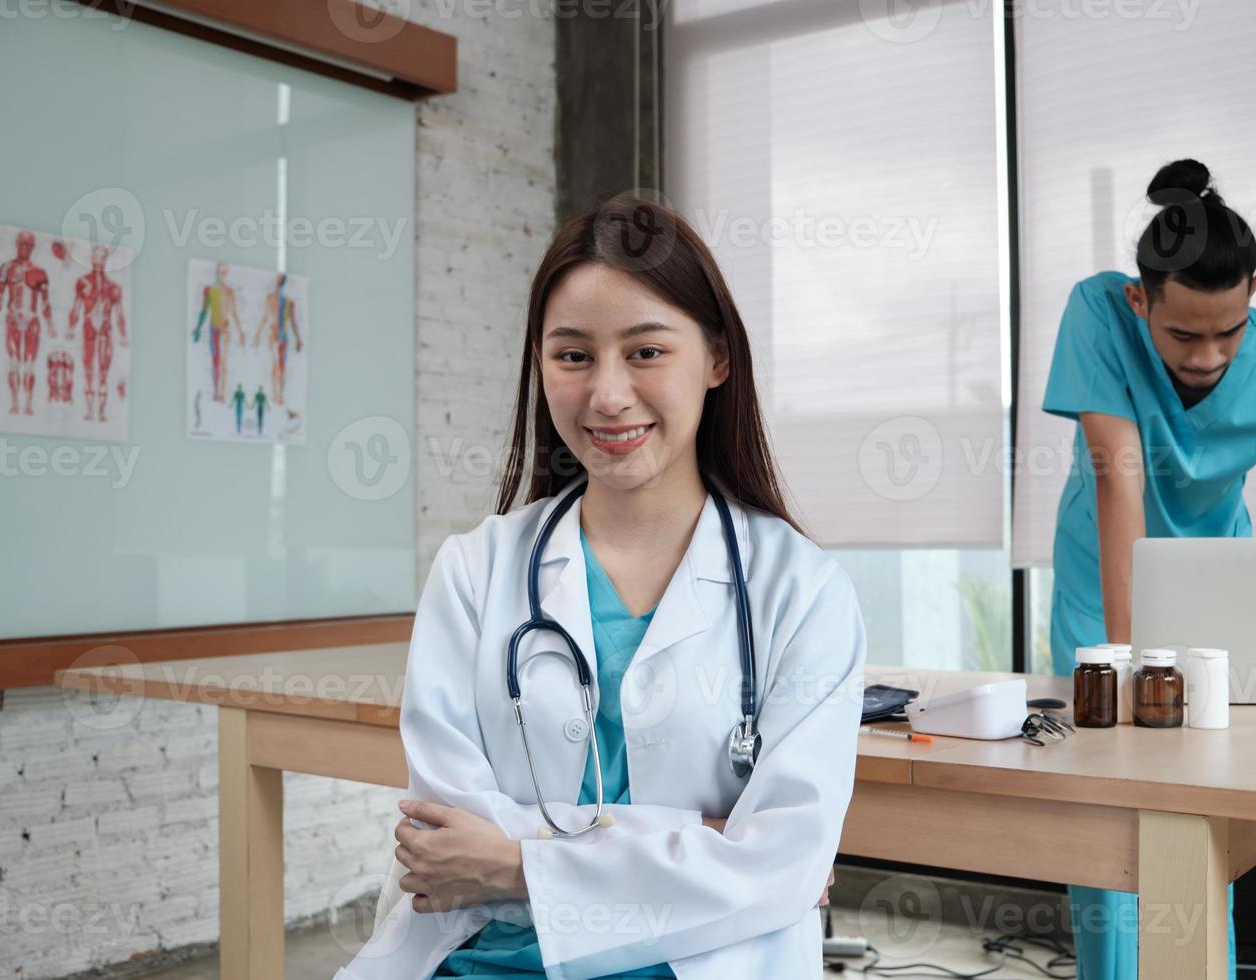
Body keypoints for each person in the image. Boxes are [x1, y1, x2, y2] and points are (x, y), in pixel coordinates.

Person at [334, 194, 866, 980]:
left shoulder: (804, 591)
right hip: (478, 961)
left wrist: (520, 861)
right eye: (573, 355)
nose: (608, 395)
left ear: (717, 359)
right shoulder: (476, 571)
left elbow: (784, 861)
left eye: (646, 352)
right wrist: (704, 836)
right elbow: (451, 835)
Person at [1042, 159, 1256, 980]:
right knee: (1112, 820)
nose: (1210, 355)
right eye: (1183, 335)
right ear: (1142, 301)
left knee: (1199, 817)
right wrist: (1124, 662)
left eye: (1230, 330)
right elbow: (1118, 473)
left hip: (1218, 590)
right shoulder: (1098, 311)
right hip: (1101, 593)